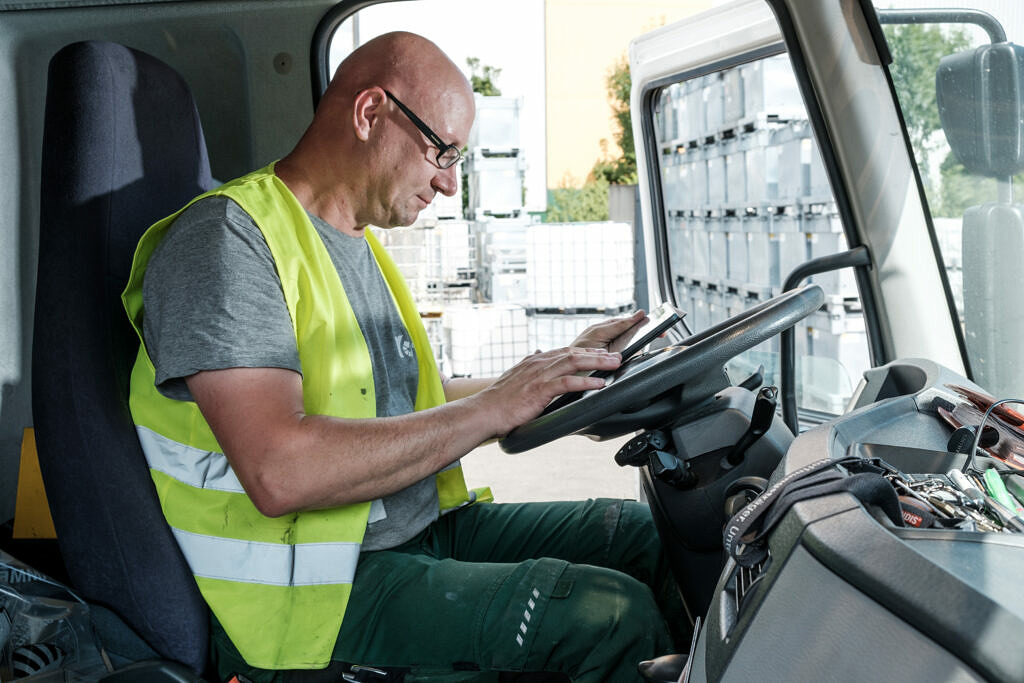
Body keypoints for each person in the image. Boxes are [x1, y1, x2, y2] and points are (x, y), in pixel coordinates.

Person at [122, 31, 685, 682]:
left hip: (411, 530)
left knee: (645, 535)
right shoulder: (226, 243)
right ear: (370, 113)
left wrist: (547, 377)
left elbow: (409, 398)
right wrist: (493, 411)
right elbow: (279, 469)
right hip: (310, 594)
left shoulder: (356, 242)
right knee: (608, 616)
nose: (448, 183)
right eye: (441, 151)